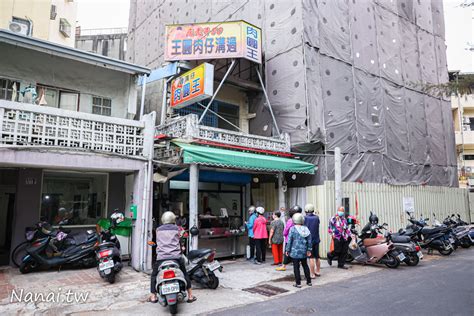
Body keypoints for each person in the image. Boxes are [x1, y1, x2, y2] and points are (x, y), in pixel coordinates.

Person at [149, 211, 196, 303]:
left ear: (163, 220)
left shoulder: (158, 230)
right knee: (185, 273)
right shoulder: (177, 229)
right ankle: (190, 295)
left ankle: (153, 296)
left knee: (154, 275)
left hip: (161, 258)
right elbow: (181, 239)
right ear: (173, 219)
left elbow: (155, 242)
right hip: (176, 258)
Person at [286, 213, 312, 288]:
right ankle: (309, 281)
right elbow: (309, 240)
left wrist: (287, 250)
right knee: (305, 266)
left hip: (294, 252)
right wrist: (309, 249)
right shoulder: (306, 229)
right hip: (304, 251)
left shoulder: (293, 229)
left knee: (296, 267)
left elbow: (289, 240)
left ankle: (298, 283)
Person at [277, 205, 302, 271]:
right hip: (298, 239)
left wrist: (284, 234)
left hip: (289, 239)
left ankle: (284, 266)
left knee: (287, 252)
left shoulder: (290, 220)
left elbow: (286, 230)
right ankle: (298, 262)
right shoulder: (301, 219)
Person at [304, 203, 321, 278]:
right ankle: (318, 271)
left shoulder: (305, 218)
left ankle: (312, 273)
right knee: (317, 257)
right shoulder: (317, 217)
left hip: (309, 240)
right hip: (316, 239)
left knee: (311, 257)